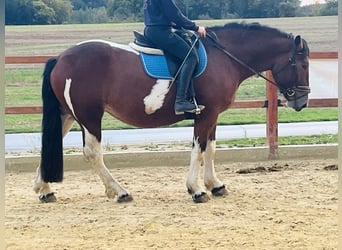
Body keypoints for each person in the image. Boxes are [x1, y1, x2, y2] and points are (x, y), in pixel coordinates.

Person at [143, 0, 206, 115]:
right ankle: (181, 101)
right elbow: (174, 14)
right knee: (191, 57)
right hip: (161, 32)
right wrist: (195, 27)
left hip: (151, 30)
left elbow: (164, 14)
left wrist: (179, 26)